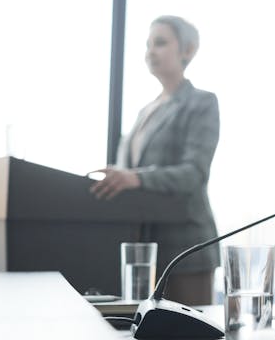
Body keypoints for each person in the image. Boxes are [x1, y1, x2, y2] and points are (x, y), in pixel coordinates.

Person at [90, 15, 221, 306]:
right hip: (141, 250)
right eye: (148, 44)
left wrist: (134, 177)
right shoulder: (145, 112)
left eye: (160, 43)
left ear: (188, 50)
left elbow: (193, 173)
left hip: (186, 248)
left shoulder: (202, 102)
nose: (150, 51)